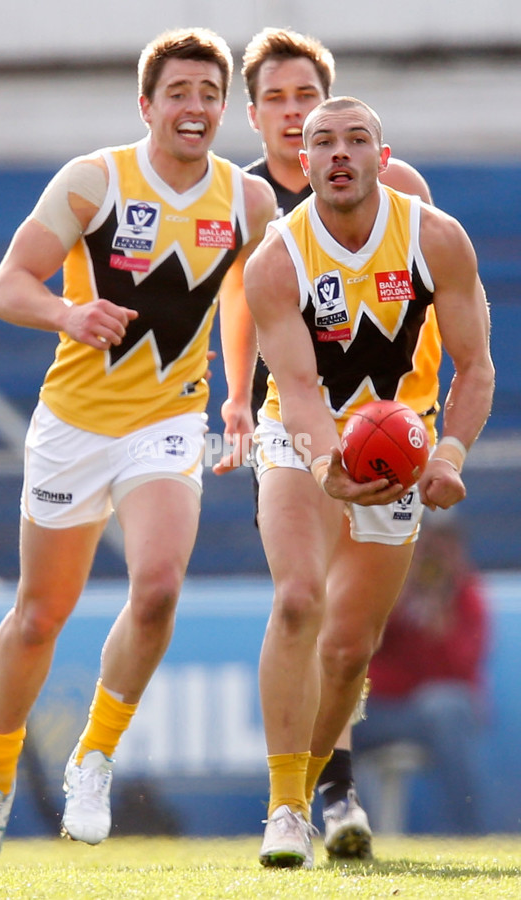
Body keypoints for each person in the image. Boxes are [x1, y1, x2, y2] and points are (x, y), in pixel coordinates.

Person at [0, 27, 276, 870]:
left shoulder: (247, 203)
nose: (195, 107)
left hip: (167, 419)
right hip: (73, 422)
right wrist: (67, 314)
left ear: (223, 109)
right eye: (179, 92)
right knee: (37, 618)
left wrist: (239, 394)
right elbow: (5, 286)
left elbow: (247, 294)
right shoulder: (95, 181)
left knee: (160, 587)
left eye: (210, 92)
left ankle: (92, 757)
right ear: (148, 105)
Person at [241, 96, 494, 868]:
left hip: (401, 449)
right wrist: (325, 466)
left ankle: (317, 787)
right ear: (304, 163)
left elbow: (476, 367)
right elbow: (298, 388)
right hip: (300, 437)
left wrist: (447, 456)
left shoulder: (436, 239)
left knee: (350, 651)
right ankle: (285, 811)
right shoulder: (277, 259)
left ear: (383, 159)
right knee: (297, 601)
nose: (340, 153)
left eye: (357, 140)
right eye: (324, 143)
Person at [218, 27, 434, 861]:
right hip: (295, 416)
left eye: (305, 94)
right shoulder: (249, 206)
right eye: (274, 97)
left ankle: (332, 782)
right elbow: (243, 308)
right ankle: (302, 800)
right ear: (257, 115)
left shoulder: (397, 188)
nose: (291, 109)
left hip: (392, 429)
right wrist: (237, 399)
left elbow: (430, 296)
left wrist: (431, 437)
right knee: (302, 598)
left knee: (350, 635)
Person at [354, 512, 490, 834]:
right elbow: (360, 651)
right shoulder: (388, 585)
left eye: (446, 546)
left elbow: (463, 673)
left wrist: (440, 620)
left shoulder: (468, 596)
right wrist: (397, 600)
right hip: (383, 709)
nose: (435, 556)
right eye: (429, 544)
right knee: (340, 713)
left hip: (436, 714)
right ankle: (356, 831)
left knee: (444, 706)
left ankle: (467, 834)